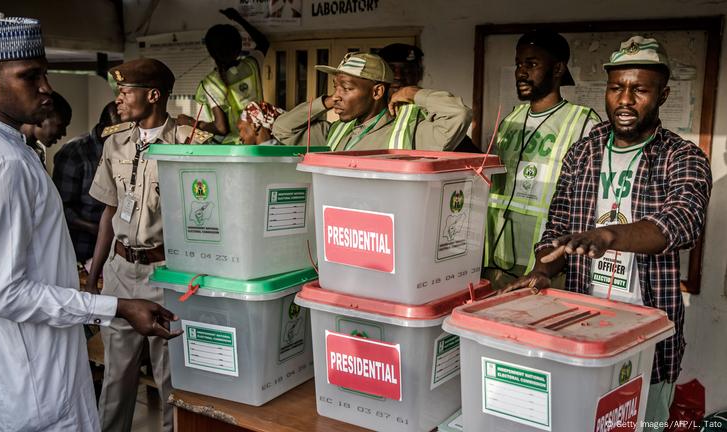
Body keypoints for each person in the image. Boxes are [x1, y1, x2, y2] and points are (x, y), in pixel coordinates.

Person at [0, 16, 182, 432]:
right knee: (117, 381)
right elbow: (3, 290)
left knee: (170, 379)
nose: (47, 87)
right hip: (32, 391)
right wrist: (114, 305)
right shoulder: (0, 164)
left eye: (44, 73)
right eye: (31, 76)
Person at [503, 36, 712, 431]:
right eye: (617, 88)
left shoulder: (681, 157)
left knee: (643, 421)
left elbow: (682, 221)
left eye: (640, 89)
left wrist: (607, 236)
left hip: (646, 329)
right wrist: (543, 269)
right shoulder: (585, 151)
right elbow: (559, 223)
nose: (626, 100)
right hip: (583, 324)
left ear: (663, 95)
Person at [86, 57, 213, 432]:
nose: (120, 100)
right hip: (121, 270)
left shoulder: (191, 144)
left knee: (172, 379)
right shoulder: (116, 142)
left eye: (126, 92)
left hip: (168, 274)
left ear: (153, 95)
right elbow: (109, 213)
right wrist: (95, 276)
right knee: (116, 377)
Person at [484, 30, 601, 289]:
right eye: (518, 64)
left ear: (557, 68)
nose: (521, 72)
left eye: (532, 64)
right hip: (497, 260)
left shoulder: (583, 123)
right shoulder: (511, 119)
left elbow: (589, 200)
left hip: (548, 264)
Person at [272, 51, 471, 151]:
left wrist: (413, 93)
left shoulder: (411, 131)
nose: (338, 95)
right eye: (335, 87)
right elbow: (282, 129)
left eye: (348, 88)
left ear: (377, 92)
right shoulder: (334, 133)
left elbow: (458, 114)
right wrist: (325, 102)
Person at [177, 7, 268, 143]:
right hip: (259, 141)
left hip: (231, 148)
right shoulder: (252, 65)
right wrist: (239, 19)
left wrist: (191, 122)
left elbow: (221, 128)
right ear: (239, 48)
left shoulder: (211, 82)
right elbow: (263, 42)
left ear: (211, 53)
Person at [52, 101, 121, 266]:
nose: (125, 139)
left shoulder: (126, 152)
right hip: (81, 251)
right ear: (104, 127)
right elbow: (60, 208)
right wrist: (95, 229)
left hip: (117, 254)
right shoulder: (74, 154)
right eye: (118, 133)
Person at [21, 90, 72, 166]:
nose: (64, 133)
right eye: (60, 125)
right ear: (41, 117)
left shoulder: (37, 152)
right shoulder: (12, 151)